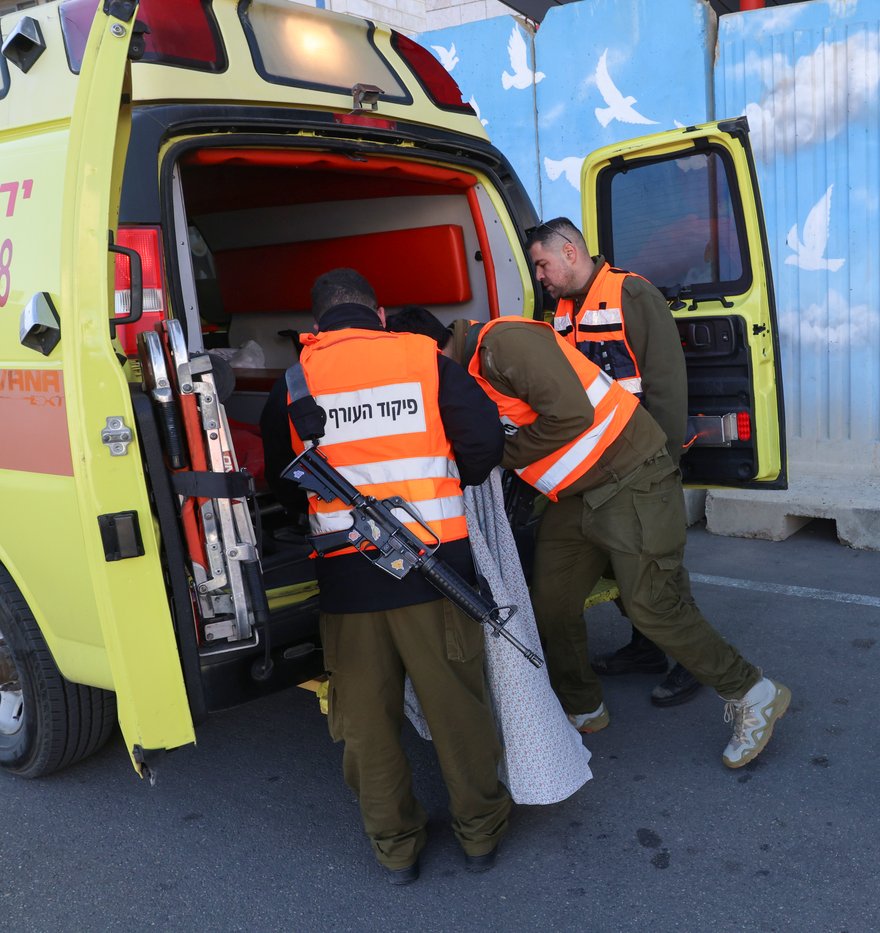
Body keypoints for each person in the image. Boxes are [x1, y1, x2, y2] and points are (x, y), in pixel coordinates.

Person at [261, 269, 511, 885]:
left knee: (366, 726)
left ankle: (396, 849)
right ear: (378, 312)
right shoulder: (425, 359)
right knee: (458, 711)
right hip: (437, 574)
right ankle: (480, 835)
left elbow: (281, 481)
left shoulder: (294, 383)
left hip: (349, 586)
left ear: (317, 326)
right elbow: (483, 445)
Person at [457, 313, 790, 768]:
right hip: (574, 495)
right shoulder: (470, 368)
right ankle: (583, 707)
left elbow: (571, 414)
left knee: (651, 603)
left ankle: (752, 691)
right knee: (551, 602)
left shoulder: (501, 344)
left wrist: (494, 454)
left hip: (630, 476)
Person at [525, 217, 701, 707]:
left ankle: (692, 661)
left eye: (542, 264)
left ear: (569, 253)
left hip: (641, 466)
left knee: (657, 572)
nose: (539, 276)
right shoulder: (558, 311)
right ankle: (647, 649)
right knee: (621, 565)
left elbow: (665, 386)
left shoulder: (633, 294)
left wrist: (664, 466)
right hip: (592, 470)